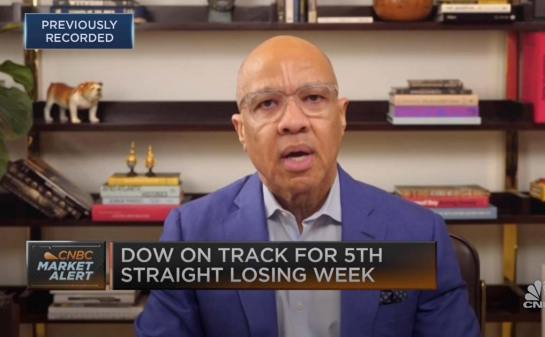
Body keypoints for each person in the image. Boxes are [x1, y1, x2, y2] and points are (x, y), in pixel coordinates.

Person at [135, 35, 480, 337]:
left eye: (313, 98)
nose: (293, 122)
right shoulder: (191, 232)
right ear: (241, 130)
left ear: (342, 116)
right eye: (267, 103)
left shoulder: (417, 233)